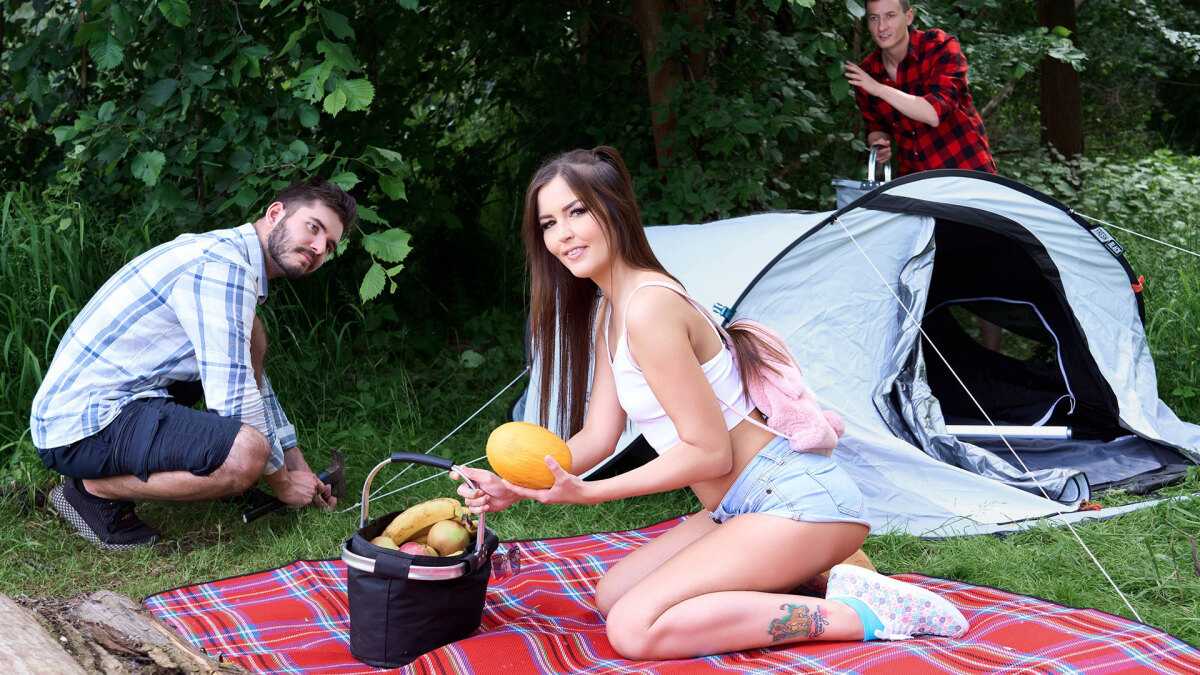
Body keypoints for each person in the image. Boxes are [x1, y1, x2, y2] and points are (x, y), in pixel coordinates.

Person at [452, 146, 968, 660]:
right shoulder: (612, 311)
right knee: (613, 596)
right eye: (548, 223)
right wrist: (519, 486)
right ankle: (820, 569)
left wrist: (591, 493)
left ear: (616, 209)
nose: (563, 234)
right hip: (735, 508)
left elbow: (709, 453)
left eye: (577, 211)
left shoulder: (650, 307)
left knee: (635, 629)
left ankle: (863, 614)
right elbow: (599, 437)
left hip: (794, 499)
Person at [31, 177, 355, 550]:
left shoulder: (231, 261)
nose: (318, 248)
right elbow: (234, 401)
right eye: (313, 227)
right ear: (275, 213)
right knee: (247, 455)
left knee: (254, 338)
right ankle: (90, 490)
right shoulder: (223, 268)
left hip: (121, 400)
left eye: (330, 245)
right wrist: (282, 482)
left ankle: (204, 473)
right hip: (80, 425)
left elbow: (250, 380)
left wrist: (294, 461)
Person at [843, 0, 997, 177]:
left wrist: (878, 89)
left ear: (908, 17)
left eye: (890, 16)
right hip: (915, 180)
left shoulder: (939, 47)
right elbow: (876, 125)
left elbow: (933, 113)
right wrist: (879, 144)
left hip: (967, 172)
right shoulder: (869, 72)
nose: (881, 27)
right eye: (874, 18)